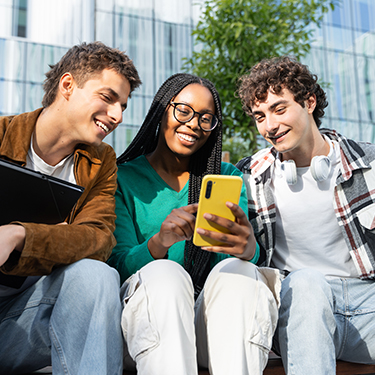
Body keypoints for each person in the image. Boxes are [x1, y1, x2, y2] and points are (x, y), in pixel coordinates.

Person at [107, 73, 280, 375]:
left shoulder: (226, 176)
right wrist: (159, 243)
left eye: (205, 118)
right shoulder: (121, 177)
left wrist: (249, 250)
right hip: (144, 330)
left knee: (240, 270)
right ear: (162, 111)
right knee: (165, 272)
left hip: (212, 330)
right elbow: (118, 268)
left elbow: (231, 264)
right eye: (183, 111)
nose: (193, 124)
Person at [0, 41, 141, 374]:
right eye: (107, 98)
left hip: (21, 321)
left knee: (95, 275)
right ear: (67, 85)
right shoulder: (2, 134)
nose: (118, 116)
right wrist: (61, 236)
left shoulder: (101, 161)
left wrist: (19, 235)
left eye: (122, 105)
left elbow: (98, 240)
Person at [236, 56, 375, 374]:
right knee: (307, 282)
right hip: (299, 307)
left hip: (367, 304)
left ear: (309, 102)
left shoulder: (369, 162)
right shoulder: (248, 176)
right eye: (260, 116)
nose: (269, 126)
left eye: (279, 109)